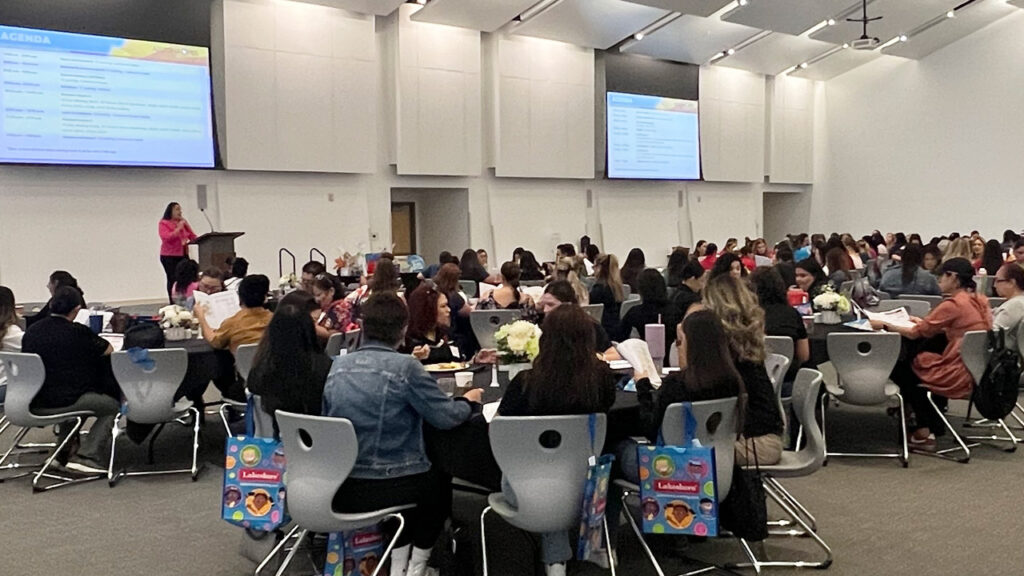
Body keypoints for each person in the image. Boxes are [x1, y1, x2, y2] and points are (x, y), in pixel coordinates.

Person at [324, 292, 483, 576]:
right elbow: (446, 418)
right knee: (438, 474)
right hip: (386, 482)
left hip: (342, 481)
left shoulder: (337, 365)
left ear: (362, 325)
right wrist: (468, 401)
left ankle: (400, 564)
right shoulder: (406, 367)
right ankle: (418, 565)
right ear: (404, 328)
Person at [496, 304, 617, 576]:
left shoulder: (526, 383)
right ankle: (601, 549)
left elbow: (501, 429)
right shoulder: (601, 380)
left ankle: (556, 564)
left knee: (543, 472)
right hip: (587, 481)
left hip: (527, 487)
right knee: (563, 471)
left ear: (544, 339)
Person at [870, 258, 991, 451]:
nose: (939, 280)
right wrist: (922, 323)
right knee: (913, 362)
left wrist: (884, 325)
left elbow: (915, 333)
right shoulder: (979, 300)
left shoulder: (953, 304)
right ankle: (927, 420)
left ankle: (925, 430)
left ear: (953, 277)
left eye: (942, 275)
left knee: (902, 370)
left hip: (955, 371)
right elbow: (936, 327)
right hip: (974, 368)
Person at [20, 286, 120, 474]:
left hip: (33, 398)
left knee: (79, 400)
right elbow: (108, 350)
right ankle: (87, 456)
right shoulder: (77, 332)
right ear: (76, 310)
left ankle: (62, 453)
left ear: (51, 304)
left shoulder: (33, 331)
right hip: (63, 400)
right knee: (110, 406)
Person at [702, 275, 784, 465]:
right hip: (765, 435)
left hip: (755, 442)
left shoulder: (725, 349)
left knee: (683, 452)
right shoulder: (744, 344)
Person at [246, 302, 332, 431]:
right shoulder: (324, 365)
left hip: (281, 439)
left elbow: (252, 387)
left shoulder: (265, 365)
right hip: (321, 436)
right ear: (309, 330)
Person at [750, 267, 810, 382]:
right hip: (789, 380)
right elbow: (804, 355)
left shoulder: (749, 316)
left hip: (756, 382)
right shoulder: (792, 315)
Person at [195, 275, 273, 354]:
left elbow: (214, 341)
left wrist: (201, 317)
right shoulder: (275, 319)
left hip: (244, 365)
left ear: (239, 298)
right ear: (265, 297)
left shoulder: (232, 323)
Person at [538, 280, 616, 358]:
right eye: (544, 305)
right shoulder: (541, 326)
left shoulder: (590, 325)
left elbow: (614, 354)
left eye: (551, 305)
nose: (545, 310)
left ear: (568, 305)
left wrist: (595, 358)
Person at [618, 269, 677, 361]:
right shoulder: (676, 311)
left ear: (641, 290)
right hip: (672, 363)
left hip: (641, 363)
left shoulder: (634, 314)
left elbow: (621, 340)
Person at [401, 284, 458, 364]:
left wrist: (474, 360)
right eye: (443, 306)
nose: (449, 310)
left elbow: (459, 362)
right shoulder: (407, 341)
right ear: (428, 310)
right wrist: (414, 359)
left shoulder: (445, 334)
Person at [158, 202, 197, 304]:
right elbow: (167, 238)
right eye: (177, 209)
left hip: (183, 254)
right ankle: (173, 302)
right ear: (170, 211)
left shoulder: (183, 222)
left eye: (180, 209)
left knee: (188, 277)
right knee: (172, 279)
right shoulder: (164, 223)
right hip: (169, 256)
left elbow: (192, 236)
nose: (180, 212)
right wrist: (178, 228)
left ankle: (187, 299)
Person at [589, 253, 625, 337]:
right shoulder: (617, 287)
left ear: (599, 268)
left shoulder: (599, 289)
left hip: (602, 332)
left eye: (594, 267)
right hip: (616, 329)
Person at [993, 263, 1024, 356]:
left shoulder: (1015, 305)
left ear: (1011, 283)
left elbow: (992, 333)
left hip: (1007, 359)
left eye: (998, 281)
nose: (994, 285)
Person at [311, 273, 353, 340]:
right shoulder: (330, 307)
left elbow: (335, 335)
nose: (316, 300)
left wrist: (309, 324)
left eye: (319, 295)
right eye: (314, 295)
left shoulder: (340, 309)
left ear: (331, 291)